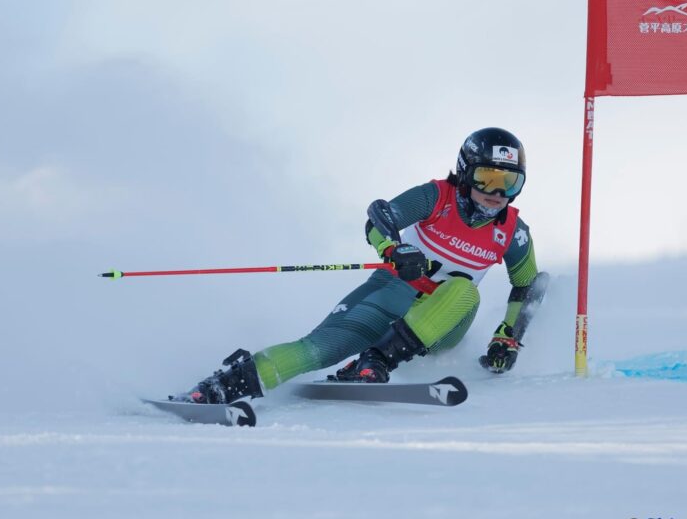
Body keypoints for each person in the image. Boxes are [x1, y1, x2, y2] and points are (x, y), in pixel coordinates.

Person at [181, 127, 547, 404]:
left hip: (444, 320)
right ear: (466, 173)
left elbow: (528, 286)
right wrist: (394, 249)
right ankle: (221, 387)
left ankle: (376, 360)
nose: (497, 193)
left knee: (464, 290)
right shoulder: (437, 197)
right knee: (319, 349)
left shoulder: (513, 231)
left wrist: (507, 337)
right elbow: (380, 217)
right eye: (488, 178)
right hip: (393, 290)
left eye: (509, 183)